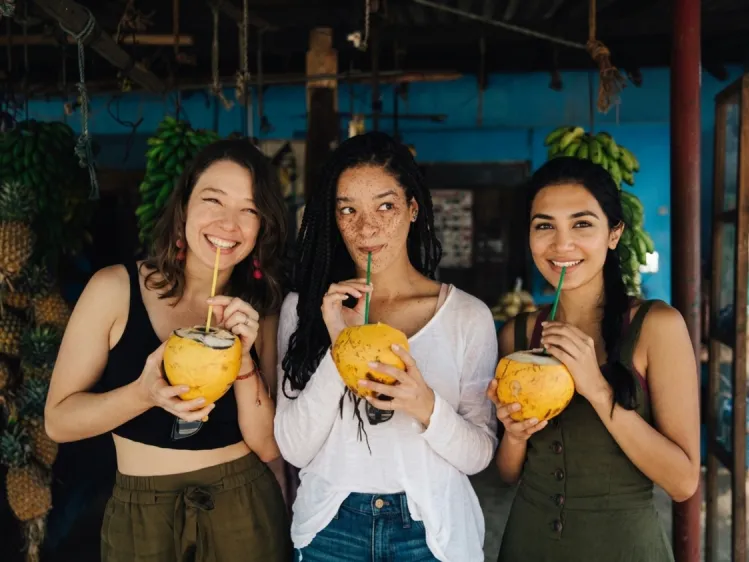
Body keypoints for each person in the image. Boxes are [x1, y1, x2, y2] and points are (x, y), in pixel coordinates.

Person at [44, 138, 293, 561]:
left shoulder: (259, 309)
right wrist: (143, 394)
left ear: (262, 226)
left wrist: (244, 363)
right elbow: (59, 422)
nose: (229, 223)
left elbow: (269, 447)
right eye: (213, 200)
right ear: (184, 208)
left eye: (249, 209)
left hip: (242, 505)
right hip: (142, 511)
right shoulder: (113, 288)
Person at [275, 131, 499, 562]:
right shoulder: (306, 311)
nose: (367, 227)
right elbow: (294, 447)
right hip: (330, 528)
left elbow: (479, 455)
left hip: (432, 532)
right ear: (333, 218)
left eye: (386, 206)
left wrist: (424, 403)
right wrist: (341, 346)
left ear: (413, 209)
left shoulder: (467, 316)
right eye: (348, 210)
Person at [487, 156, 700, 562]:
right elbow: (508, 474)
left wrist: (599, 391)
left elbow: (683, 481)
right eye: (544, 225)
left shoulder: (657, 327)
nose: (561, 244)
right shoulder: (517, 335)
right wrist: (514, 434)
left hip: (624, 547)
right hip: (528, 544)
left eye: (582, 224)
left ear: (614, 234)